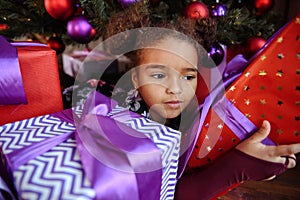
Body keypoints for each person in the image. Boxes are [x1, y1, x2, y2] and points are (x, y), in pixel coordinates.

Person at [92, 4, 300, 199]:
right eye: (158, 76)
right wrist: (237, 167)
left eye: (188, 77)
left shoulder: (189, 115)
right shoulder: (123, 123)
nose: (176, 89)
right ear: (135, 79)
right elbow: (157, 193)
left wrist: (258, 156)